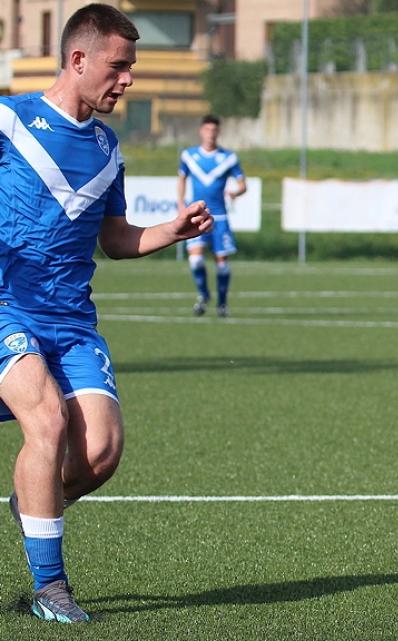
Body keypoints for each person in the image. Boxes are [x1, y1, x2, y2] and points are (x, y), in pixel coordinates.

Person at [1, 4, 212, 622]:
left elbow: (115, 239)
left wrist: (170, 230)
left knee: (100, 453)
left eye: (131, 67)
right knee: (46, 420)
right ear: (78, 59)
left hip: (71, 324)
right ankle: (50, 587)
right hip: (8, 307)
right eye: (118, 66)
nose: (128, 79)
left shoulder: (107, 147)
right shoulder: (11, 120)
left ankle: (32, 501)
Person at [177, 114, 246, 318]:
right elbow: (182, 179)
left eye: (214, 130)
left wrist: (235, 192)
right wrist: (180, 203)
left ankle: (222, 303)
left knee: (222, 264)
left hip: (220, 218)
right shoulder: (189, 156)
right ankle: (203, 295)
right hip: (197, 215)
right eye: (207, 130)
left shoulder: (228, 158)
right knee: (196, 260)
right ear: (201, 131)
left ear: (218, 132)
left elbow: (243, 184)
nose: (210, 134)